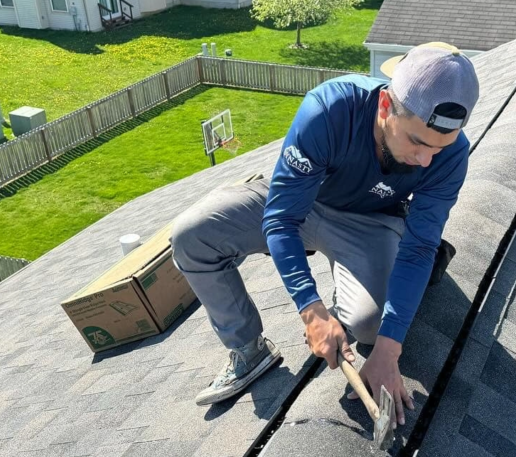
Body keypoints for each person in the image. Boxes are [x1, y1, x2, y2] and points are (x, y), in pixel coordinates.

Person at [171, 42, 480, 423]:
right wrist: (311, 309)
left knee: (372, 326)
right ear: (386, 107)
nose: (425, 160)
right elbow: (281, 219)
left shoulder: (450, 156)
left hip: (369, 220)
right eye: (416, 141)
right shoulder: (330, 109)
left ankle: (354, 291)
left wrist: (388, 350)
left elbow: (419, 249)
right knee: (191, 235)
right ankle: (248, 350)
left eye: (440, 147)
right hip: (304, 198)